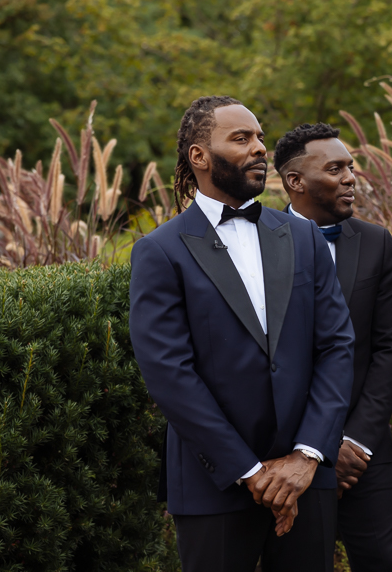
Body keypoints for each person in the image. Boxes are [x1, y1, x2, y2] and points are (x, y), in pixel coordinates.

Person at [129, 96, 354, 572]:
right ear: (199, 156)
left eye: (260, 138)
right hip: (215, 484)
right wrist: (249, 472)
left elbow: (336, 346)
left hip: (305, 478)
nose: (259, 149)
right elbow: (169, 373)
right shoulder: (160, 251)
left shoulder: (303, 237)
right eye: (241, 138)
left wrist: (307, 455)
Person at [272, 122, 392, 572]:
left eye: (351, 167)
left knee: (388, 563)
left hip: (363, 451)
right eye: (335, 169)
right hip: (285, 453)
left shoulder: (375, 243)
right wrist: (310, 448)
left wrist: (355, 440)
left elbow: (391, 347)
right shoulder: (258, 243)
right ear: (296, 181)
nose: (351, 177)